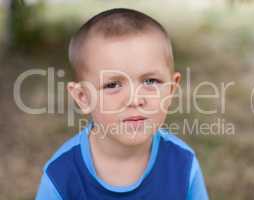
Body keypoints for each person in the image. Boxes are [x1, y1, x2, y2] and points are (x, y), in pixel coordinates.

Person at [35, 8, 209, 200]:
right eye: (112, 85)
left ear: (171, 89)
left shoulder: (183, 164)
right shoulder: (61, 174)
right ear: (83, 97)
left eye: (150, 81)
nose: (135, 99)